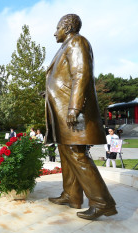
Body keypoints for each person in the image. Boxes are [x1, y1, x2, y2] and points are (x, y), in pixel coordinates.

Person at [46, 14, 116, 220]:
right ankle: (72, 195)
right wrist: (50, 92)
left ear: (67, 27)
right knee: (66, 152)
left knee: (77, 154)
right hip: (62, 109)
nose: (54, 32)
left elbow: (81, 74)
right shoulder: (65, 46)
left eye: (57, 27)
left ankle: (102, 202)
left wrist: (74, 108)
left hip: (73, 112)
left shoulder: (77, 41)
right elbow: (64, 78)